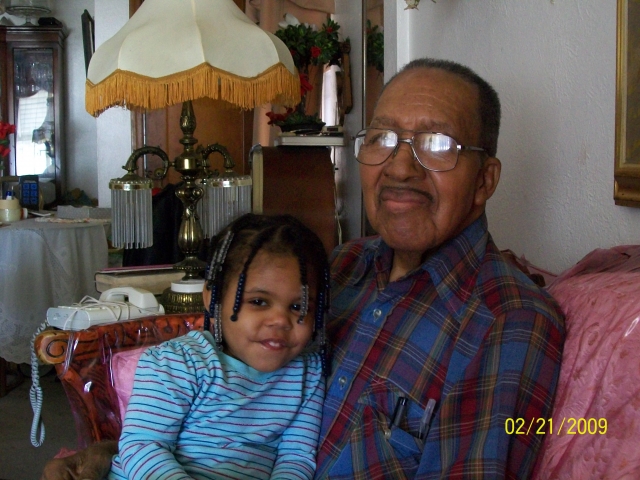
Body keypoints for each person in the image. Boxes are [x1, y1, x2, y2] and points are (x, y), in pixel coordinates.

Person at [41, 58, 564, 480]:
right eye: (381, 138)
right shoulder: (342, 266)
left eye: (436, 145)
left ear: (485, 180)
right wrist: (123, 454)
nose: (400, 168)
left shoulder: (505, 320)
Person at [108, 213, 329, 480]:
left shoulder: (308, 373)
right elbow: (142, 446)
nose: (281, 321)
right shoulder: (178, 363)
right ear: (213, 299)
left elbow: (296, 457)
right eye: (258, 302)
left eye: (298, 307)